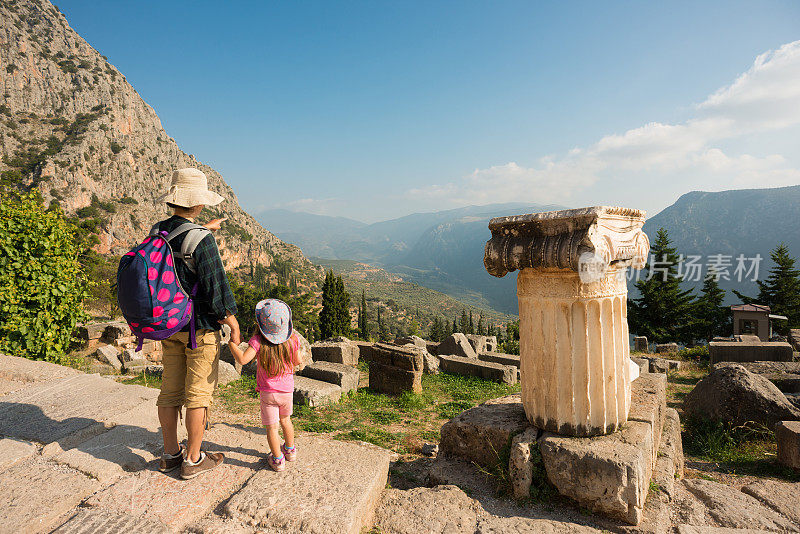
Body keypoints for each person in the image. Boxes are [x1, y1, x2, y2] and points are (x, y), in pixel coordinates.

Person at [154, 167, 242, 480]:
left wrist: (205, 228)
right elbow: (216, 289)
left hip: (167, 326)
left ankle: (169, 454)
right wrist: (232, 320)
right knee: (198, 397)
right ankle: (193, 459)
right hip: (199, 329)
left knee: (169, 392)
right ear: (200, 203)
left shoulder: (157, 231)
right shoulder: (202, 241)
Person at [227, 298, 304, 472]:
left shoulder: (257, 341)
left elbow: (242, 360)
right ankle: (290, 451)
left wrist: (232, 344)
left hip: (268, 393)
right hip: (286, 392)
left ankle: (277, 460)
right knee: (286, 420)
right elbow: (298, 360)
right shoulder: (292, 339)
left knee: (272, 428)